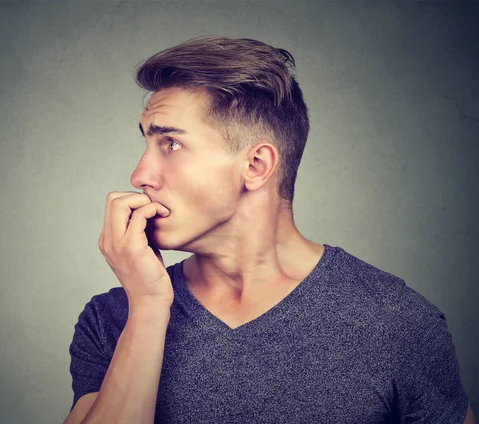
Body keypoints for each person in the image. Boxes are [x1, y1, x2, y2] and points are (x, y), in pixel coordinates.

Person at [64, 36, 475, 424]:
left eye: (170, 144)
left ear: (256, 165)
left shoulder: (396, 321)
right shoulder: (113, 318)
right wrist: (150, 307)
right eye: (146, 144)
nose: (140, 175)